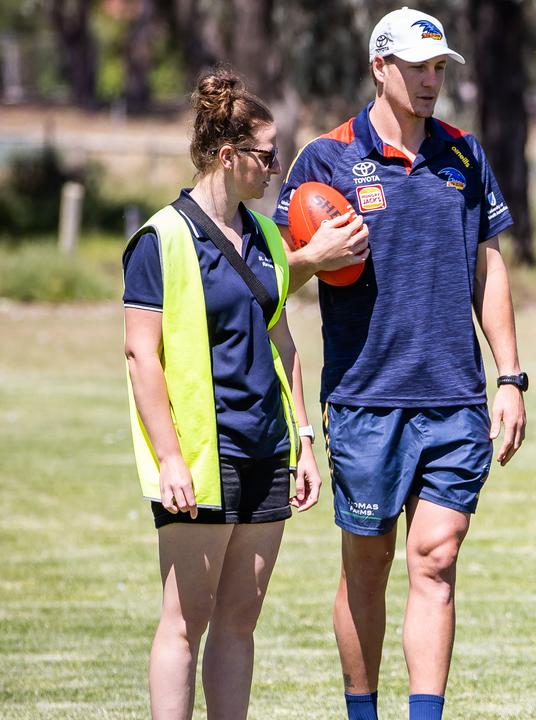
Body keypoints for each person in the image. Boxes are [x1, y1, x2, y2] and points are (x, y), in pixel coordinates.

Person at [272, 9, 526, 720]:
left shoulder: (465, 155)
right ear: (380, 66)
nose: (431, 80)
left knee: (436, 561)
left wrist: (510, 376)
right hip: (363, 400)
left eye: (439, 67)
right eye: (418, 67)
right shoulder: (325, 158)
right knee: (368, 567)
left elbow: (489, 265)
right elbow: (271, 276)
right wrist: (308, 261)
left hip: (454, 400)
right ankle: (362, 712)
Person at [123, 68, 323, 720]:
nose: (275, 168)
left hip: (267, 450)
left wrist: (304, 443)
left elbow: (284, 344)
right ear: (229, 154)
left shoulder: (268, 237)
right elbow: (140, 356)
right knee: (186, 621)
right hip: (203, 460)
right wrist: (171, 458)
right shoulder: (161, 239)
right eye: (266, 155)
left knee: (239, 621)